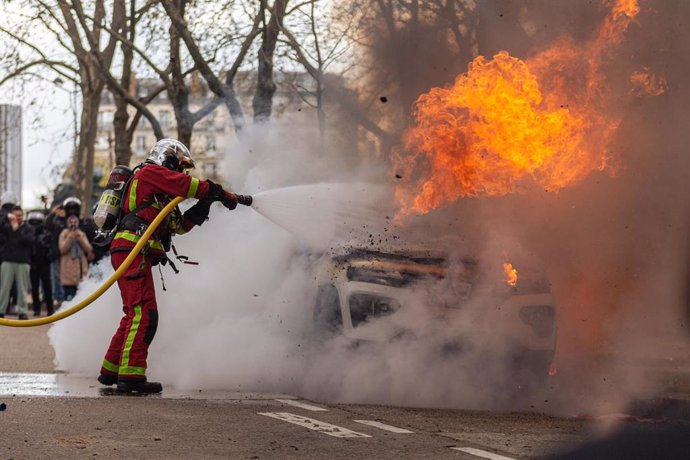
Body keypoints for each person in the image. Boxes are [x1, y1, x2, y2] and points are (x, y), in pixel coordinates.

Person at [97, 138, 239, 394]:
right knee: (144, 314)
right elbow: (186, 185)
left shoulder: (158, 196)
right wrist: (215, 191)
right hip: (132, 249)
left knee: (133, 313)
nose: (181, 172)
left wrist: (205, 204)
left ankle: (111, 370)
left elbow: (180, 227)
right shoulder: (150, 173)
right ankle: (131, 377)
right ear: (168, 160)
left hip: (131, 251)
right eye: (180, 166)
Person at [0, 206, 34, 320]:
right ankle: (1, 310)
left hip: (23, 262)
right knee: (4, 288)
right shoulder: (6, 227)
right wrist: (7, 217)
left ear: (23, 216)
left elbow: (29, 241)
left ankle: (22, 312)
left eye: (19, 215)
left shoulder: (28, 228)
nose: (17, 218)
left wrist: (17, 229)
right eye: (15, 215)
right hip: (7, 261)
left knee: (22, 289)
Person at [58, 214, 93, 301]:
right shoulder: (64, 234)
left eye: (74, 222)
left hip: (80, 270)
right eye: (71, 222)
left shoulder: (81, 233)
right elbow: (62, 249)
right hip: (68, 270)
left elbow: (89, 249)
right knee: (69, 298)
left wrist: (80, 238)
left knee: (80, 299)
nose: (73, 224)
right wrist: (70, 237)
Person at [27, 211, 55, 316]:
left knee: (47, 286)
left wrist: (50, 257)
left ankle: (50, 309)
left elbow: (52, 248)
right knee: (34, 287)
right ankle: (36, 309)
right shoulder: (29, 234)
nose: (35, 225)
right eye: (33, 222)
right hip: (33, 263)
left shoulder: (47, 234)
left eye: (37, 222)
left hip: (45, 263)